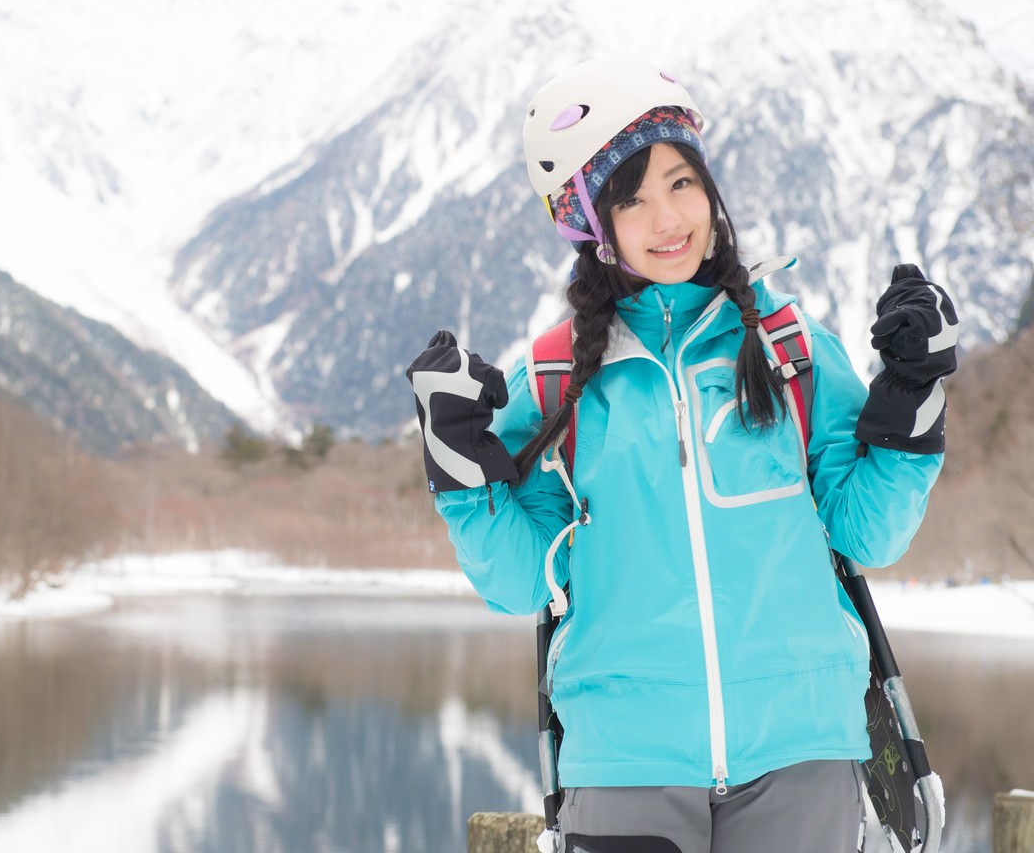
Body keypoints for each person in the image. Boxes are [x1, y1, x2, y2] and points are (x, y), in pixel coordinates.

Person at [405, 56, 959, 853]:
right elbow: (521, 575)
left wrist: (914, 395)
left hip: (801, 747)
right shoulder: (561, 375)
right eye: (630, 200)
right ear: (592, 227)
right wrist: (458, 464)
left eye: (681, 183)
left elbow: (867, 534)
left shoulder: (790, 347)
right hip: (625, 760)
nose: (668, 219)